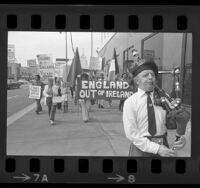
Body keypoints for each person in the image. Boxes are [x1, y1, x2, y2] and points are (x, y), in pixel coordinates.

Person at [123, 60, 190, 157]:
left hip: (164, 148)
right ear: (137, 81)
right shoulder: (130, 102)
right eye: (145, 75)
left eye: (152, 75)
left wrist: (182, 137)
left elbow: (179, 119)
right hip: (140, 150)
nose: (150, 77)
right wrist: (157, 148)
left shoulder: (165, 99)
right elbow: (131, 134)